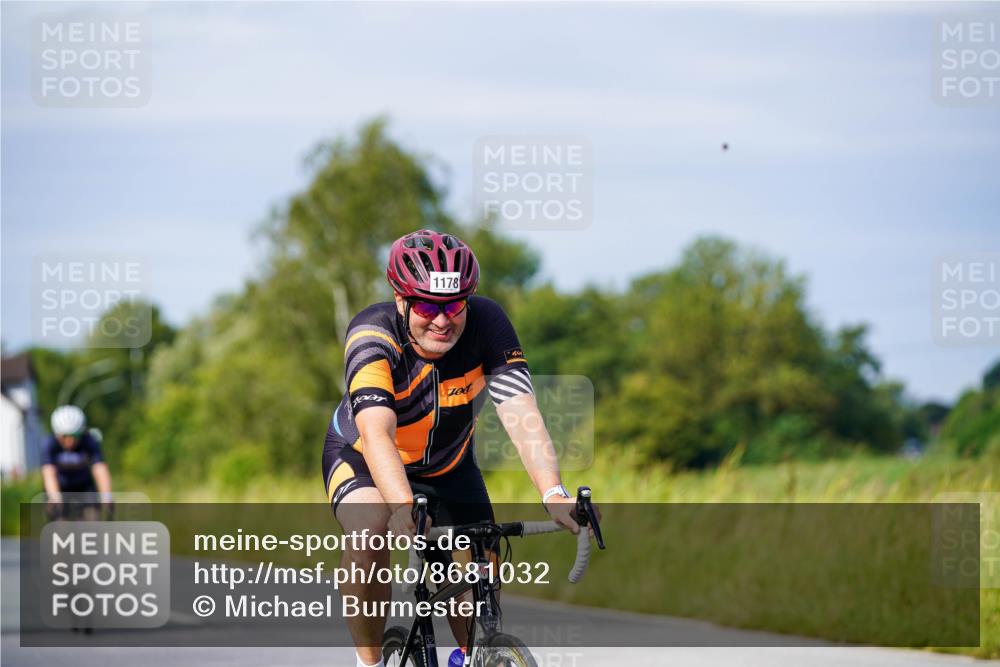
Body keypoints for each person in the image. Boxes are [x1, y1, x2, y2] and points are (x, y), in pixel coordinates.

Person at [323, 229, 580, 667]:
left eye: (454, 305)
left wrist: (554, 493)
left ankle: (475, 655)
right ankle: (370, 662)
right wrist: (402, 507)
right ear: (400, 299)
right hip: (365, 459)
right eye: (426, 306)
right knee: (368, 535)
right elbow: (378, 433)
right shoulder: (371, 333)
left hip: (450, 466)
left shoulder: (488, 323)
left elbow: (521, 413)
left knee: (480, 592)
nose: (442, 320)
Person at [42, 405, 113, 520]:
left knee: (92, 519)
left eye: (75, 435)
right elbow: (49, 473)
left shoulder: (89, 441)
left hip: (84, 486)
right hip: (60, 486)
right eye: (65, 436)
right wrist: (55, 497)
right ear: (57, 434)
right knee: (59, 519)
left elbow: (100, 468)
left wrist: (107, 495)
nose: (70, 440)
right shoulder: (50, 444)